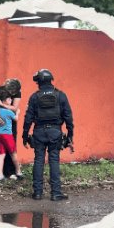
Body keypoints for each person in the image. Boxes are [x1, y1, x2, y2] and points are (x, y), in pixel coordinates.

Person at [22, 69, 73, 201]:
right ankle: (56, 193)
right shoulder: (61, 95)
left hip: (38, 132)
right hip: (55, 132)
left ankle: (37, 193)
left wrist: (25, 136)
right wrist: (70, 135)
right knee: (54, 161)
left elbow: (28, 118)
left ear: (38, 82)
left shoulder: (34, 97)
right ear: (51, 80)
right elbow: (68, 116)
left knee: (39, 161)